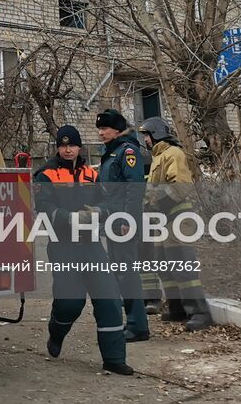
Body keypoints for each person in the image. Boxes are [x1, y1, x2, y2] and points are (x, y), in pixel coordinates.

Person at [33, 124, 134, 376]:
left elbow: (106, 200)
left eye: (72, 145)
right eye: (63, 145)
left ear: (79, 147)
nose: (68, 150)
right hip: (63, 246)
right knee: (71, 302)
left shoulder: (91, 174)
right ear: (58, 147)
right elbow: (44, 207)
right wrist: (70, 218)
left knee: (109, 299)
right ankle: (56, 333)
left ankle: (113, 358)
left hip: (91, 245)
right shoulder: (46, 174)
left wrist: (101, 212)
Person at [138, 116, 212, 332]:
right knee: (163, 262)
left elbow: (180, 186)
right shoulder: (159, 157)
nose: (145, 140)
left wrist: (156, 202)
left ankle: (200, 312)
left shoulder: (173, 153)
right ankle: (178, 307)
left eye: (147, 136)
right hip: (164, 220)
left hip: (178, 217)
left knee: (181, 263)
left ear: (157, 134)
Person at [94, 108, 150, 343]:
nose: (100, 133)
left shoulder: (127, 152)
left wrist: (129, 220)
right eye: (99, 128)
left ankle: (138, 326)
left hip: (123, 224)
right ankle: (131, 321)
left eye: (104, 128)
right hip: (113, 222)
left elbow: (134, 189)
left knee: (127, 274)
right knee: (120, 273)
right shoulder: (112, 152)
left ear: (117, 129)